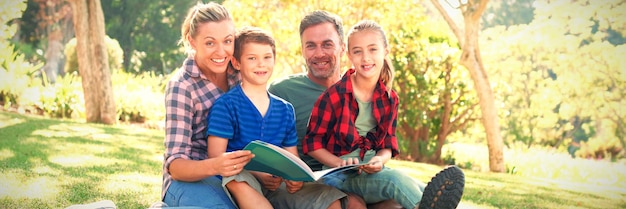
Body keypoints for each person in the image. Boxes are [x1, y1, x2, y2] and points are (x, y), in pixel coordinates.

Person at [302, 19, 465, 209]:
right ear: (349, 55)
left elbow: (387, 145)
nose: (365, 58)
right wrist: (339, 162)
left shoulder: (389, 98)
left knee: (423, 189)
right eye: (357, 51)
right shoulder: (334, 96)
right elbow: (312, 144)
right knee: (396, 181)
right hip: (337, 177)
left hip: (371, 174)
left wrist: (379, 160)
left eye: (373, 49)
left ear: (385, 51)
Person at [206, 26, 350, 209]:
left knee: (329, 199)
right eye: (252, 58)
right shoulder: (226, 105)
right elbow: (216, 156)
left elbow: (292, 158)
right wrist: (257, 173)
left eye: (267, 57)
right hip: (240, 180)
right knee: (236, 178)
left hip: (275, 184)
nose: (261, 64)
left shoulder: (285, 109)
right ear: (236, 63)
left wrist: (295, 178)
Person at [268, 10, 399, 209]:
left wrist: (376, 162)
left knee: (397, 203)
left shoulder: (366, 91)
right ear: (302, 50)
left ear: (342, 48)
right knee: (353, 204)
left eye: (327, 44)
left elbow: (382, 142)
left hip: (358, 176)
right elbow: (268, 147)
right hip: (308, 182)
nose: (319, 53)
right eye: (311, 46)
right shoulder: (281, 91)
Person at [162, 2, 254, 208]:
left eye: (227, 41)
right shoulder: (182, 86)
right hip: (188, 181)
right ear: (192, 41)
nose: (221, 52)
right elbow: (175, 166)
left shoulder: (240, 73)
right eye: (210, 43)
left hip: (235, 176)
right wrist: (216, 165)